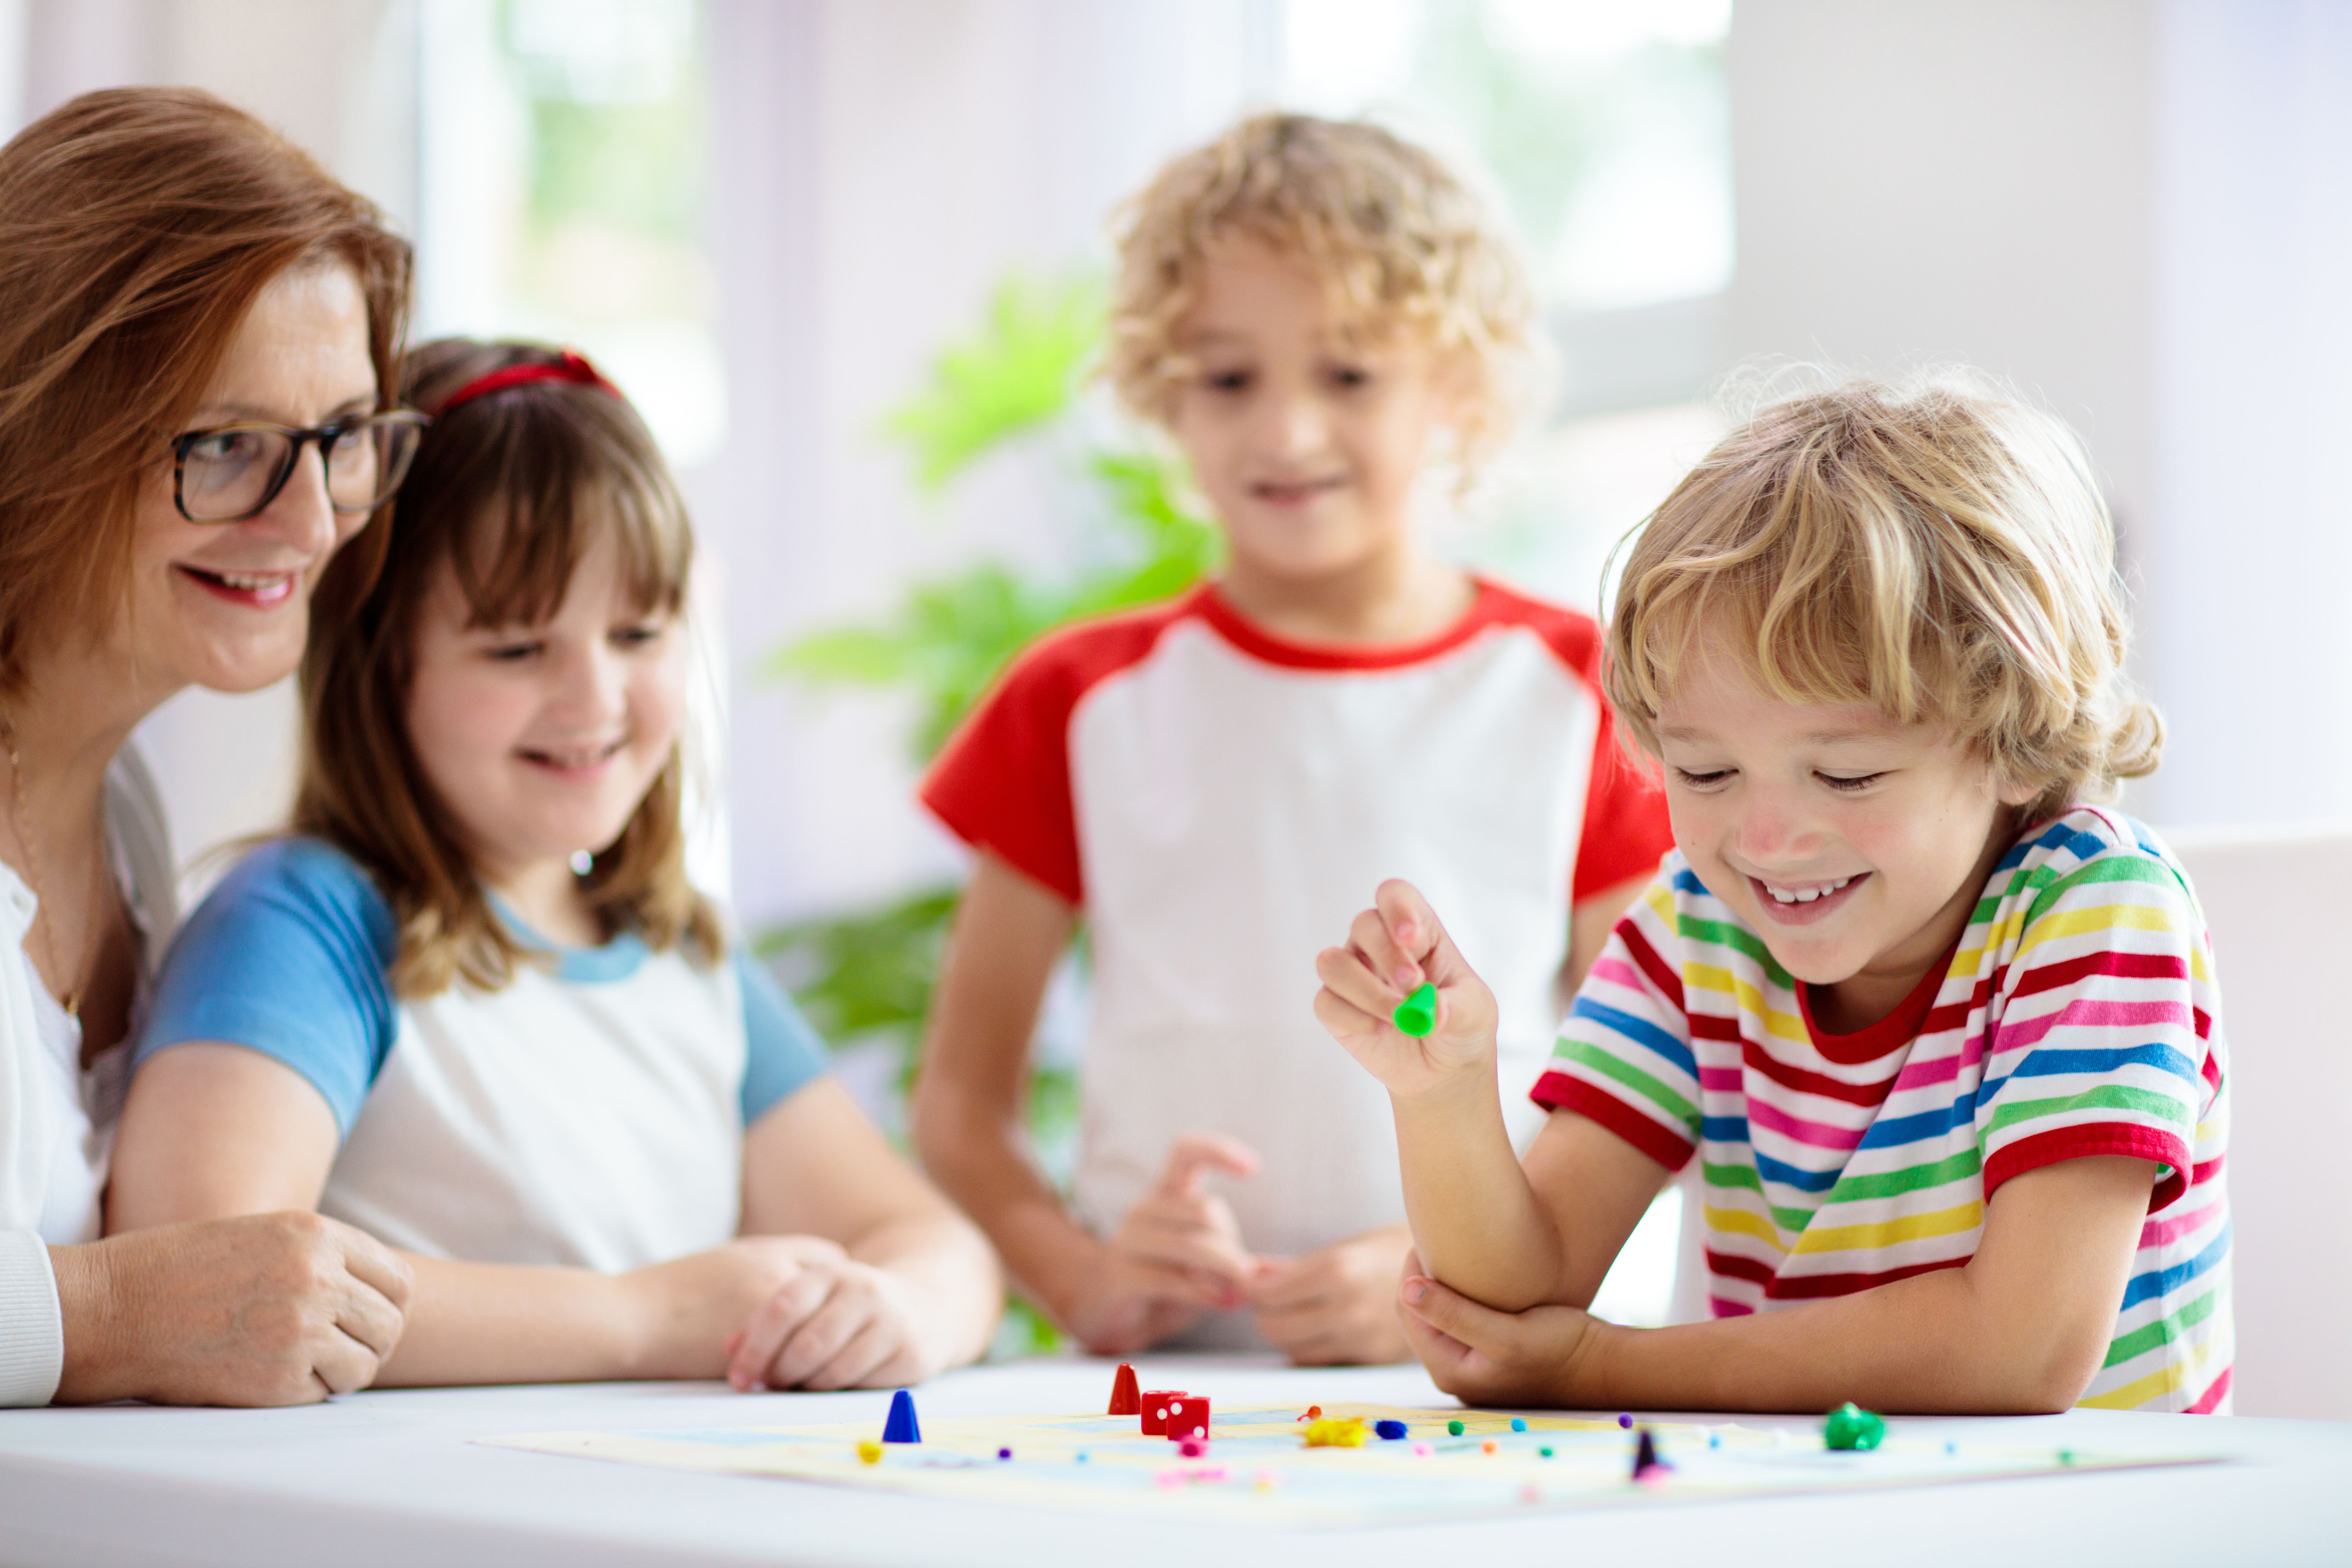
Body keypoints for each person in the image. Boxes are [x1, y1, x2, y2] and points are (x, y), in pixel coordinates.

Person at [911, 113, 1675, 1363]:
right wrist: (1083, 1278)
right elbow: (960, 1106)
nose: (1285, 431)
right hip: (1156, 1401)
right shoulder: (1076, 697)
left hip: (1484, 1382)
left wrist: (1449, 1274)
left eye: (1349, 375)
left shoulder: (1591, 690)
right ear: (1165, 391)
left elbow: (1640, 1092)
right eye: (1228, 378)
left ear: (1461, 391)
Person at [1315, 374, 2231, 1413]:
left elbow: (2021, 1351)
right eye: (1704, 773)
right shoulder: (1695, 928)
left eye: (1844, 775)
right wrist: (1443, 1095)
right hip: (1793, 1507)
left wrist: (1603, 1366)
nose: (1762, 841)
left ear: (2013, 739)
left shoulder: (2094, 908)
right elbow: (1517, 1300)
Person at [110, 340, 1000, 1391]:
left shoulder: (682, 960)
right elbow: (202, 1271)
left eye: (637, 632)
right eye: (517, 648)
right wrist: (642, 1319)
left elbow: (928, 1239)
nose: (596, 699)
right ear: (382, 667)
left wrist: (904, 1308)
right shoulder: (312, 921)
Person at [0, 87, 421, 1408]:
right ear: (37, 435)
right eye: (228, 446)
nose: (309, 518)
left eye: (344, 438)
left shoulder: (119, 803)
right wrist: (114, 1309)